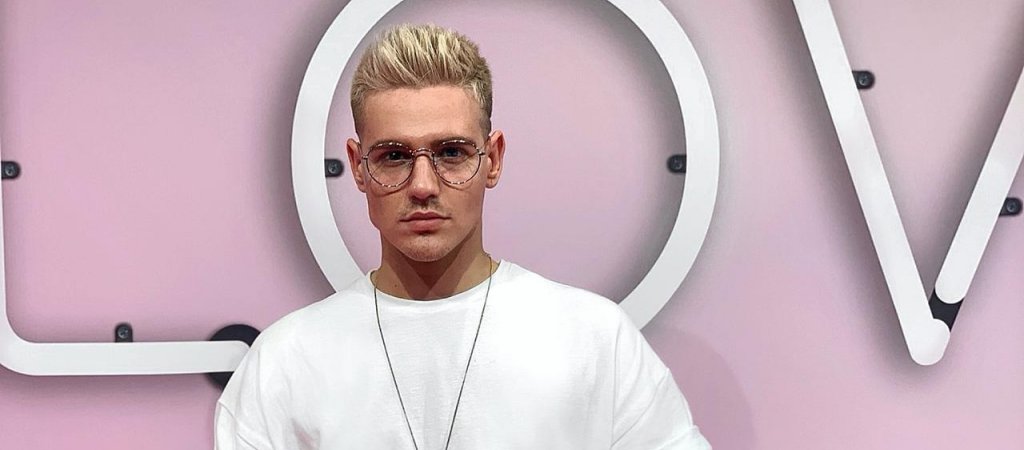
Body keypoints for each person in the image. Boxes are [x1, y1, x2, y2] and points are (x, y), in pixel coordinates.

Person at [215, 23, 710, 450]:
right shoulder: (283, 362)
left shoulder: (595, 340)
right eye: (394, 156)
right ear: (358, 167)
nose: (423, 186)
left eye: (451, 153)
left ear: (492, 159)